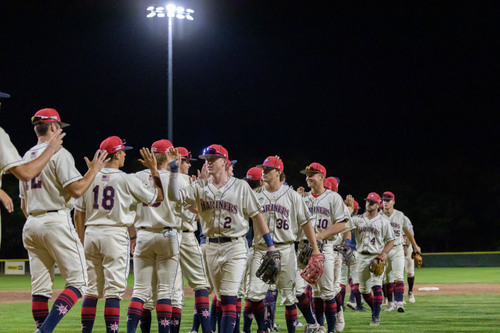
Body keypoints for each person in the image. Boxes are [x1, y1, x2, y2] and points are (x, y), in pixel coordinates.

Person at [167, 144, 277, 333]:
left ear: (225, 162)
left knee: (228, 297)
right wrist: (174, 172)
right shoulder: (200, 186)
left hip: (235, 246)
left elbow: (257, 215)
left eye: (212, 159)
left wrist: (270, 246)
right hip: (210, 246)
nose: (208, 163)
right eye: (206, 160)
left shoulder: (241, 186)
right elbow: (174, 197)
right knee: (219, 296)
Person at [19, 108, 108, 333]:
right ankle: (44, 330)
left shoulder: (26, 156)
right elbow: (77, 190)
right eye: (59, 126)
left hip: (31, 223)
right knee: (79, 283)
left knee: (40, 289)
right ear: (52, 128)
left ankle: (40, 328)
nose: (61, 130)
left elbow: (23, 205)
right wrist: (94, 171)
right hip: (55, 220)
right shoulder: (59, 153)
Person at [74, 136, 164, 333]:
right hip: (114, 234)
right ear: (116, 155)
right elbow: (157, 198)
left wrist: (81, 241)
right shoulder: (126, 178)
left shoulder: (90, 176)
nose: (124, 155)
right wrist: (154, 170)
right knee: (113, 292)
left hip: (91, 233)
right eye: (123, 151)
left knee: (91, 291)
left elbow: (78, 213)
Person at [245, 156, 320, 333]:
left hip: (286, 248)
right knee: (254, 294)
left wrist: (315, 249)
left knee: (289, 297)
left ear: (278, 172)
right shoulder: (255, 195)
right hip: (261, 249)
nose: (263, 172)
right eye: (262, 169)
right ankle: (263, 329)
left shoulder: (293, 196)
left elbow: (306, 222)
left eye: (267, 169)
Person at [299, 162, 351, 333]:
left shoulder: (333, 198)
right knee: (314, 291)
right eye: (307, 175)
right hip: (306, 249)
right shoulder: (303, 199)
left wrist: (319, 236)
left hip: (326, 247)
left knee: (328, 292)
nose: (308, 177)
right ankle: (319, 327)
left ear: (322, 177)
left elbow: (342, 224)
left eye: (312, 174)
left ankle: (330, 329)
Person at [170, 146, 211, 333]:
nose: (188, 164)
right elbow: (197, 212)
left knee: (173, 292)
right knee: (200, 283)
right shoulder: (188, 180)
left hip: (167, 235)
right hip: (185, 235)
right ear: (178, 160)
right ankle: (206, 329)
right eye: (186, 160)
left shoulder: (162, 179)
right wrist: (200, 186)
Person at [344, 192, 395, 327]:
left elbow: (390, 241)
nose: (369, 204)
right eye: (367, 201)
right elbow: (345, 225)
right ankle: (375, 310)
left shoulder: (384, 222)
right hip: (360, 256)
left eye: (372, 202)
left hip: (375, 256)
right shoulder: (358, 219)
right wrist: (348, 210)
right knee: (364, 290)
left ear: (378, 205)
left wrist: (383, 254)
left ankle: (375, 317)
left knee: (376, 285)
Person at [380, 191, 421, 312]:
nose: (385, 203)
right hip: (384, 250)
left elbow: (408, 232)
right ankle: (390, 303)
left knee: (398, 275)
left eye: (388, 200)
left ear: (393, 202)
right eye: (384, 200)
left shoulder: (400, 215)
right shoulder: (379, 216)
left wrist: (414, 245)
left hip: (398, 248)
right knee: (387, 278)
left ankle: (399, 303)